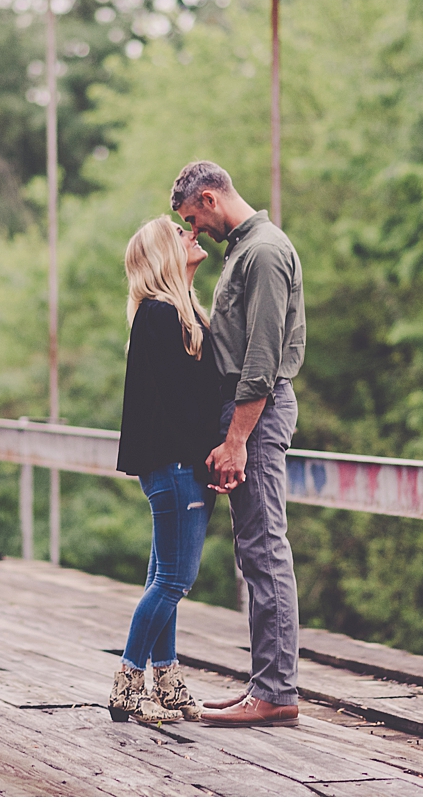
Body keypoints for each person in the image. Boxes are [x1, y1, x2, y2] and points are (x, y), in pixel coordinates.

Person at [171, 160, 306, 728]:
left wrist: (237, 439)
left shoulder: (264, 251)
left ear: (208, 197)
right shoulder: (242, 252)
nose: (193, 231)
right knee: (252, 549)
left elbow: (263, 358)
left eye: (192, 219)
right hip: (245, 412)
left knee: (265, 548)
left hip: (258, 412)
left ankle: (276, 692)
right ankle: (265, 684)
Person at [109, 216, 223, 724]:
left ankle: (168, 681)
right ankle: (128, 685)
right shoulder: (161, 316)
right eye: (179, 233)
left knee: (163, 575)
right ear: (164, 255)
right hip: (178, 465)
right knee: (175, 580)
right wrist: (215, 455)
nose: (190, 234)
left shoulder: (173, 312)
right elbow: (183, 405)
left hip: (173, 465)